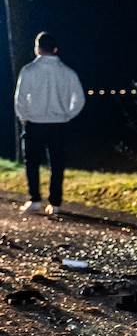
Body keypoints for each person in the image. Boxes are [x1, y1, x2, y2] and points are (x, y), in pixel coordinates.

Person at [14, 32, 85, 215]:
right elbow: (79, 98)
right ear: (55, 49)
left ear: (37, 48)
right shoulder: (68, 72)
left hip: (34, 122)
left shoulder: (29, 71)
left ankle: (35, 199)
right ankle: (55, 202)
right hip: (58, 124)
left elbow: (20, 98)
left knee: (32, 162)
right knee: (57, 163)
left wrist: (23, 117)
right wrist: (68, 114)